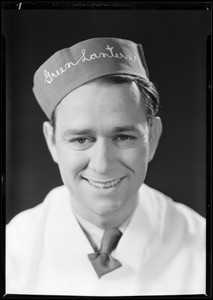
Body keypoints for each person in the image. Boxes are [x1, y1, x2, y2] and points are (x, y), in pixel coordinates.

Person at [6, 37, 205, 296]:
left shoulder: (202, 245)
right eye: (81, 139)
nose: (102, 165)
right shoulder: (13, 250)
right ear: (52, 142)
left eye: (123, 137)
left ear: (153, 137)